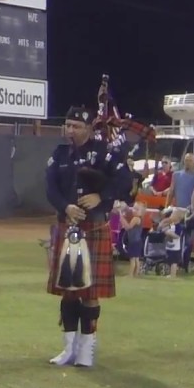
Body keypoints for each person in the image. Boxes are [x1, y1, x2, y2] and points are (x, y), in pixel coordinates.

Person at [45, 106, 132, 368]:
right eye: (68, 125)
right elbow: (50, 188)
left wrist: (101, 197)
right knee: (68, 290)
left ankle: (86, 349)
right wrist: (65, 206)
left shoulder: (105, 153)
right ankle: (68, 349)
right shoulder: (59, 154)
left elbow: (125, 180)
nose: (70, 130)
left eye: (76, 126)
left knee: (89, 291)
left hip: (94, 227)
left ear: (88, 128)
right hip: (67, 225)